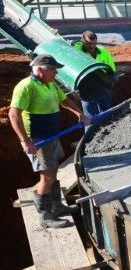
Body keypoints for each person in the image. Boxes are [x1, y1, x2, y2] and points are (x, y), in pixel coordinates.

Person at [9, 55, 91, 228]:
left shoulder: (50, 83)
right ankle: (45, 216)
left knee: (54, 170)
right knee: (47, 175)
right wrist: (25, 142)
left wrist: (79, 114)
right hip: (38, 139)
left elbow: (63, 100)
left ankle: (57, 206)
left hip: (52, 136)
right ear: (40, 70)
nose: (56, 72)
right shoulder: (26, 87)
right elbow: (13, 114)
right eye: (53, 69)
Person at [73, 30, 116, 117]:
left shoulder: (103, 52)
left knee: (105, 109)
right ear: (82, 41)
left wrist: (110, 81)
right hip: (86, 87)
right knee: (90, 114)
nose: (92, 46)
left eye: (94, 43)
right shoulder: (77, 50)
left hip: (103, 83)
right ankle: (93, 129)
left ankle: (107, 127)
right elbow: (67, 46)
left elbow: (111, 68)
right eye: (88, 43)